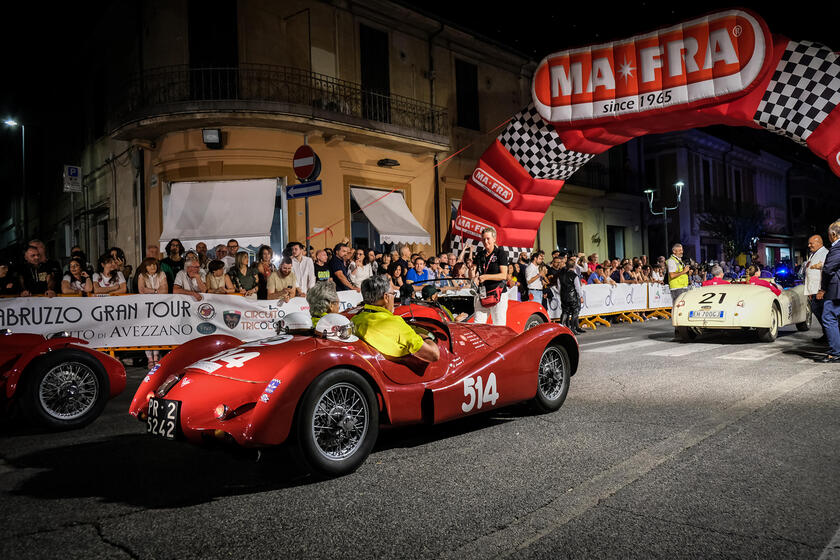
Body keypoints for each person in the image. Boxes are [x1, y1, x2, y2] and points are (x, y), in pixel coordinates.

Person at [350, 275, 439, 362]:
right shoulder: (395, 324)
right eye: (393, 294)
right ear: (386, 297)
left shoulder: (355, 319)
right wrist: (426, 338)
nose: (394, 297)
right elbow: (434, 355)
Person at [473, 227, 509, 326]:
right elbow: (475, 273)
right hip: (482, 293)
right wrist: (474, 275)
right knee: (478, 323)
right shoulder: (480, 254)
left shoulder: (500, 253)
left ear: (494, 239)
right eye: (483, 239)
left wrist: (485, 277)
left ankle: (500, 342)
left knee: (499, 324)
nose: (485, 241)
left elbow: (503, 275)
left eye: (488, 238)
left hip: (498, 293)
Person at [817, 222, 840, 362]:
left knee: (828, 317)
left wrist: (823, 289)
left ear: (833, 234)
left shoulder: (837, 248)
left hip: (836, 288)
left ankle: (835, 352)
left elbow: (828, 269)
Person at [804, 234, 829, 343]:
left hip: (820, 291)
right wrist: (809, 291)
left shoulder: (824, 253)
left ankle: (830, 337)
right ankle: (827, 335)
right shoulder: (814, 254)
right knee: (818, 313)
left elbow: (825, 273)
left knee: (824, 315)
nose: (809, 245)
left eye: (811, 243)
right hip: (814, 290)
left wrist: (822, 290)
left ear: (819, 242)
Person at [558, 258, 585, 334]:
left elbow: (559, 287)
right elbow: (577, 288)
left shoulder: (561, 275)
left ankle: (562, 328)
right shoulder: (574, 275)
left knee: (565, 312)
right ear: (574, 266)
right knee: (574, 312)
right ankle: (573, 329)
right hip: (572, 296)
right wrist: (581, 296)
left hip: (564, 296)